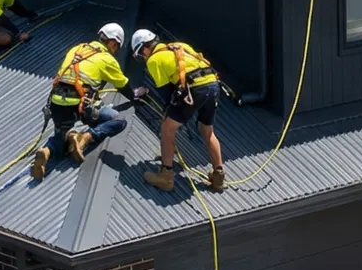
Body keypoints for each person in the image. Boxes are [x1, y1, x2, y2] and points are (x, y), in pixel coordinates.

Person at [32, 23, 132, 179]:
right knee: (118, 120)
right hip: (81, 106)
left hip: (56, 104)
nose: (115, 50)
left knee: (61, 143)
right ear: (113, 42)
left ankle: (47, 150)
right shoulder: (106, 59)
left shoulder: (76, 49)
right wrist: (137, 96)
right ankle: (85, 137)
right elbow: (124, 86)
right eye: (116, 47)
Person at [131, 29, 224, 192]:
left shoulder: (154, 60)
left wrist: (169, 114)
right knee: (206, 130)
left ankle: (165, 177)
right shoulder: (179, 45)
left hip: (194, 90)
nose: (143, 58)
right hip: (213, 85)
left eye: (141, 54)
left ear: (145, 47)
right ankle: (218, 176)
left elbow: (165, 94)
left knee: (167, 128)